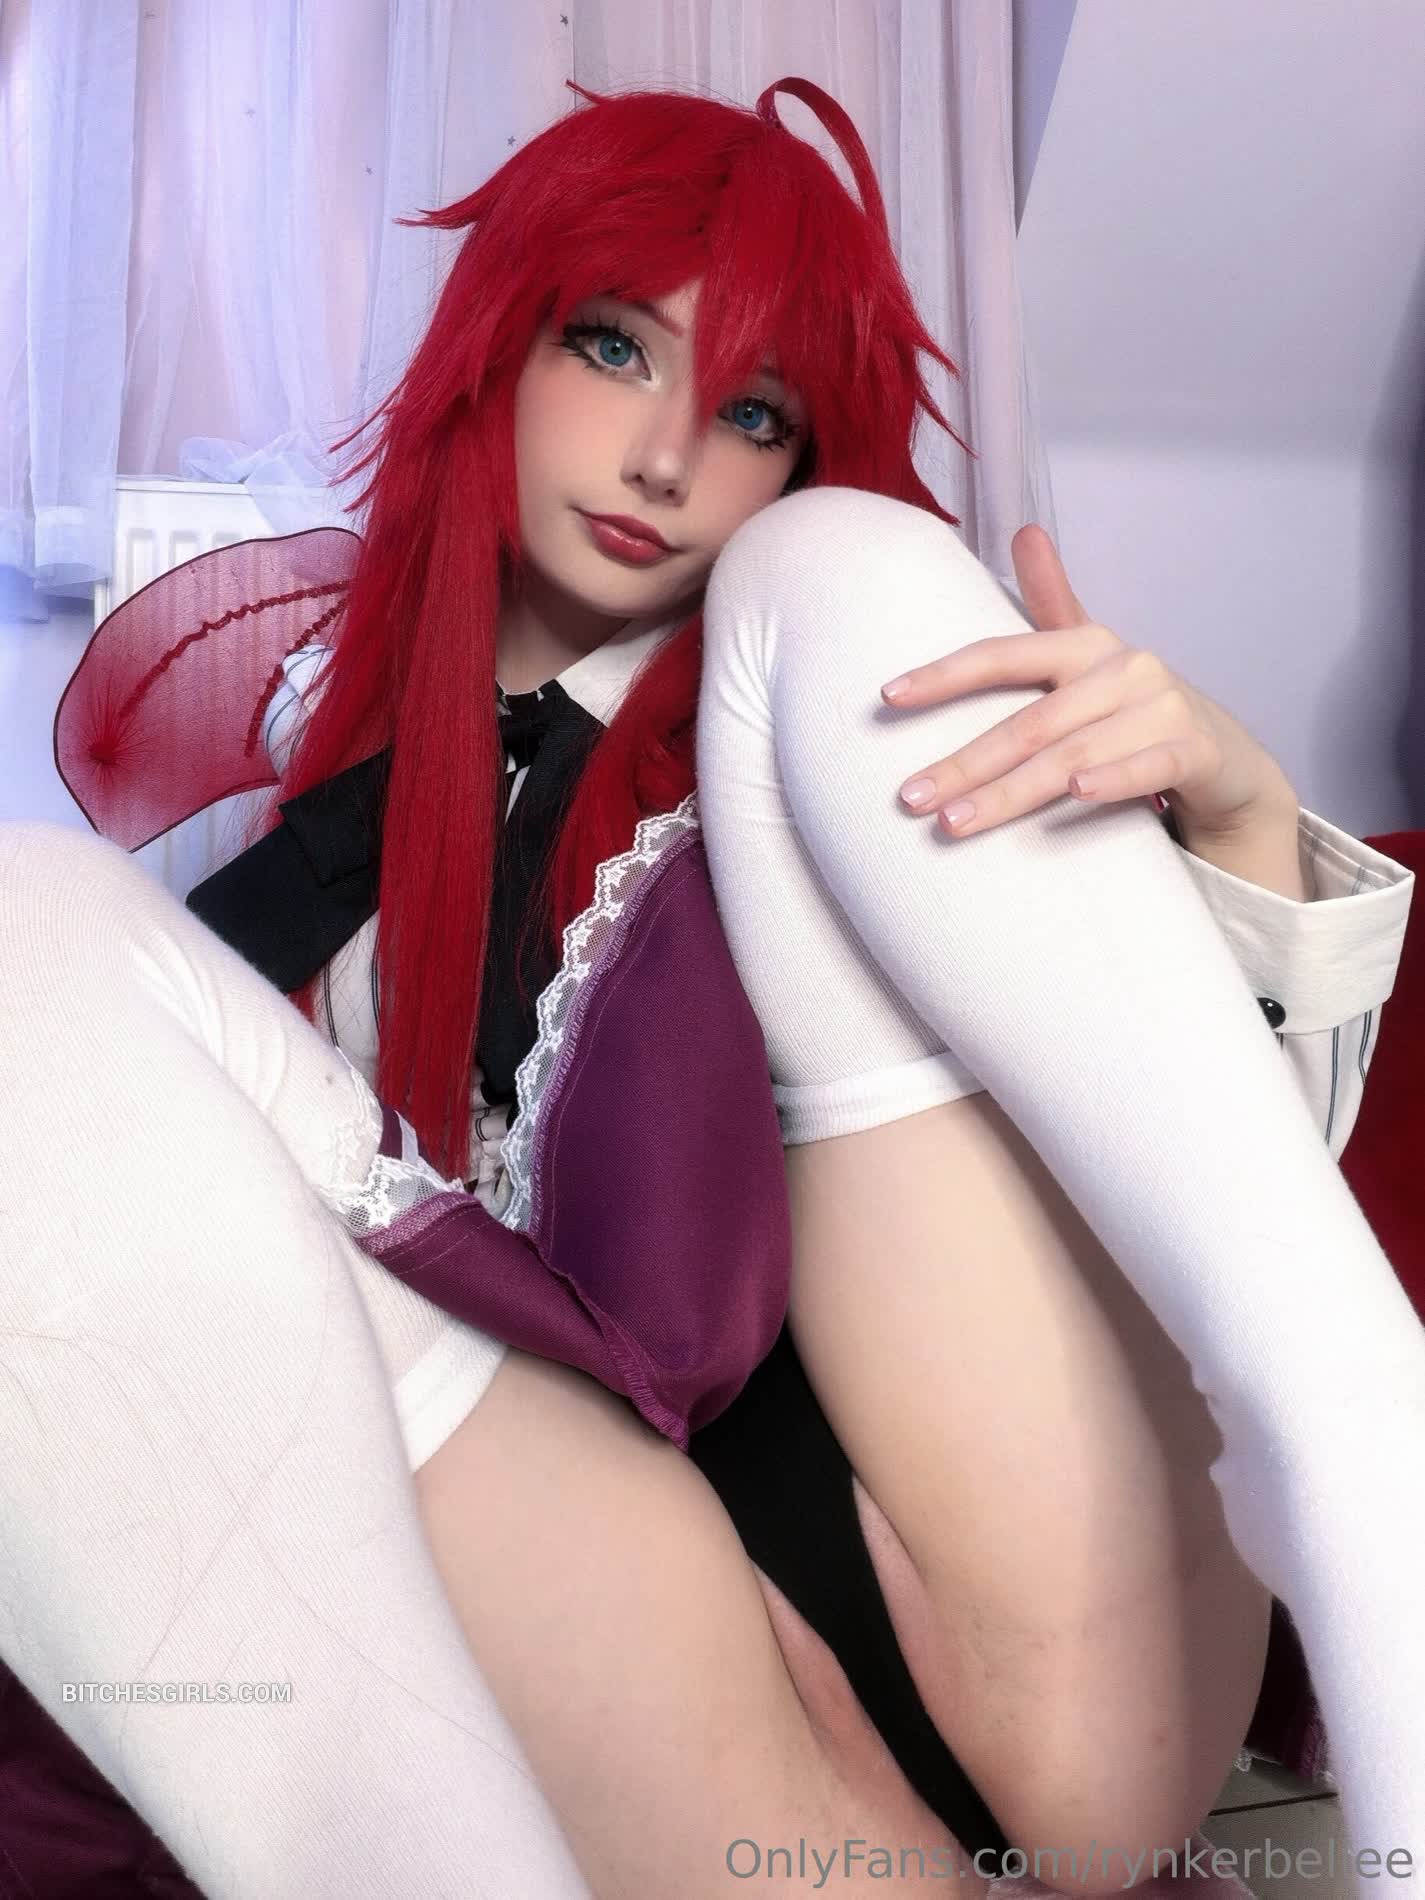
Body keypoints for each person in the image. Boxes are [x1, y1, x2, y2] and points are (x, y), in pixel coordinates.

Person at [4, 73, 1420, 1899]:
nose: (669, 458)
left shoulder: (830, 683)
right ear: (494, 348)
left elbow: (1160, 1219)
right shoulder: (316, 840)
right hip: (698, 1709)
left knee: (837, 578)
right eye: (612, 347)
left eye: (753, 409)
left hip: (1031, 1629)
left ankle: (1380, 1448)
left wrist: (1234, 835)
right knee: (29, 927)